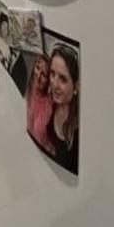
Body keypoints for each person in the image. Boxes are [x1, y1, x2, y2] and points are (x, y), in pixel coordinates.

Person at [45, 44, 80, 174]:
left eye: (63, 79)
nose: (54, 84)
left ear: (76, 86)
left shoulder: (80, 130)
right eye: (52, 74)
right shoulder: (50, 107)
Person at [26, 54, 53, 152]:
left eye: (44, 75)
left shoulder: (50, 105)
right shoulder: (25, 90)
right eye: (37, 68)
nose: (38, 76)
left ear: (48, 81)